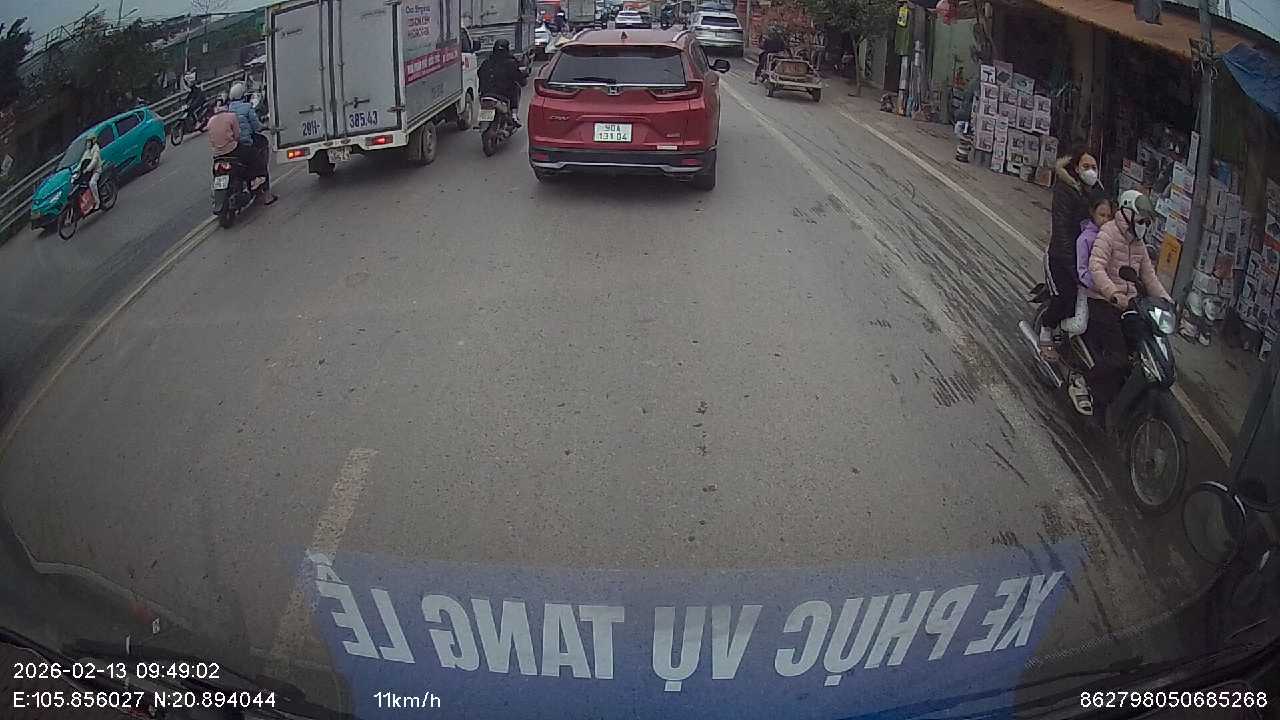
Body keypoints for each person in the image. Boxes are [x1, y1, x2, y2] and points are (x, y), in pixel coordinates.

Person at [1082, 191, 1172, 418]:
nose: (1144, 225)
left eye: (1147, 222)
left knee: (1142, 350)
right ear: (1127, 213)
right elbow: (1096, 267)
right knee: (1118, 358)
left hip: (1129, 305)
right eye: (1141, 220)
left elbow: (1150, 278)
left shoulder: (1139, 244)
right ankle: (1087, 384)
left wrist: (1168, 302)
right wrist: (1112, 292)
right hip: (1103, 300)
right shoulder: (1108, 233)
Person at [1040, 147, 1103, 351]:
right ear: (1076, 168)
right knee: (1065, 297)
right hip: (1061, 258)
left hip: (1088, 259)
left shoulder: (1097, 193)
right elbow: (1062, 231)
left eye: (1094, 167)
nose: (1091, 171)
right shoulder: (1065, 190)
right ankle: (1046, 328)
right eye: (1086, 166)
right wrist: (1074, 268)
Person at [227, 81, 277, 205]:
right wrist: (266, 127)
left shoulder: (229, 109)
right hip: (246, 142)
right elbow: (257, 127)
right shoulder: (247, 107)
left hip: (232, 145)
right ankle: (267, 196)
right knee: (261, 163)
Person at [478, 39, 529, 128]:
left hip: (485, 93)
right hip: (503, 93)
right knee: (515, 88)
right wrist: (523, 76)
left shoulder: (486, 62)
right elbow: (518, 76)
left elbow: (479, 73)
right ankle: (513, 115)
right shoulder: (511, 63)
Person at [79, 132, 103, 211]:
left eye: (89, 141)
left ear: (93, 141)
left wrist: (88, 169)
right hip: (88, 172)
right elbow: (82, 161)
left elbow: (94, 161)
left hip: (96, 170)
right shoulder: (87, 150)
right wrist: (77, 169)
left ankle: (97, 201)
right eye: (87, 142)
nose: (88, 143)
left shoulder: (96, 148)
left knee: (92, 183)